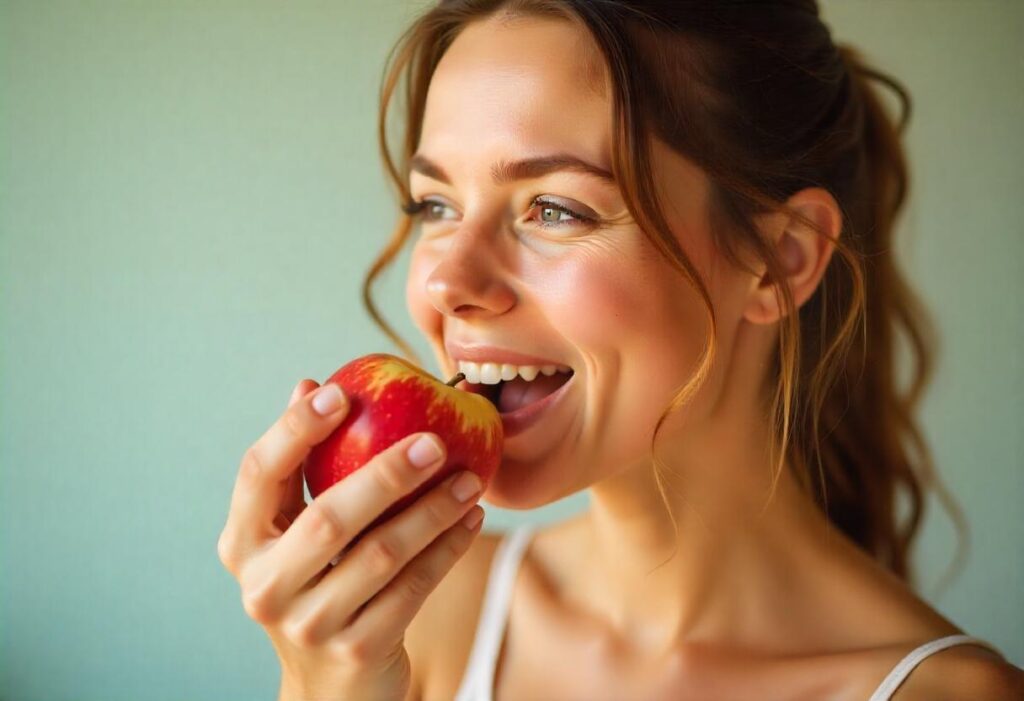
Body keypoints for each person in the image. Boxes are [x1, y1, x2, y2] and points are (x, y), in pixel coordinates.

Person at [217, 1, 1024, 699]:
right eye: (437, 203)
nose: (448, 282)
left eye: (556, 209)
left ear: (780, 259)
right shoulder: (414, 620)